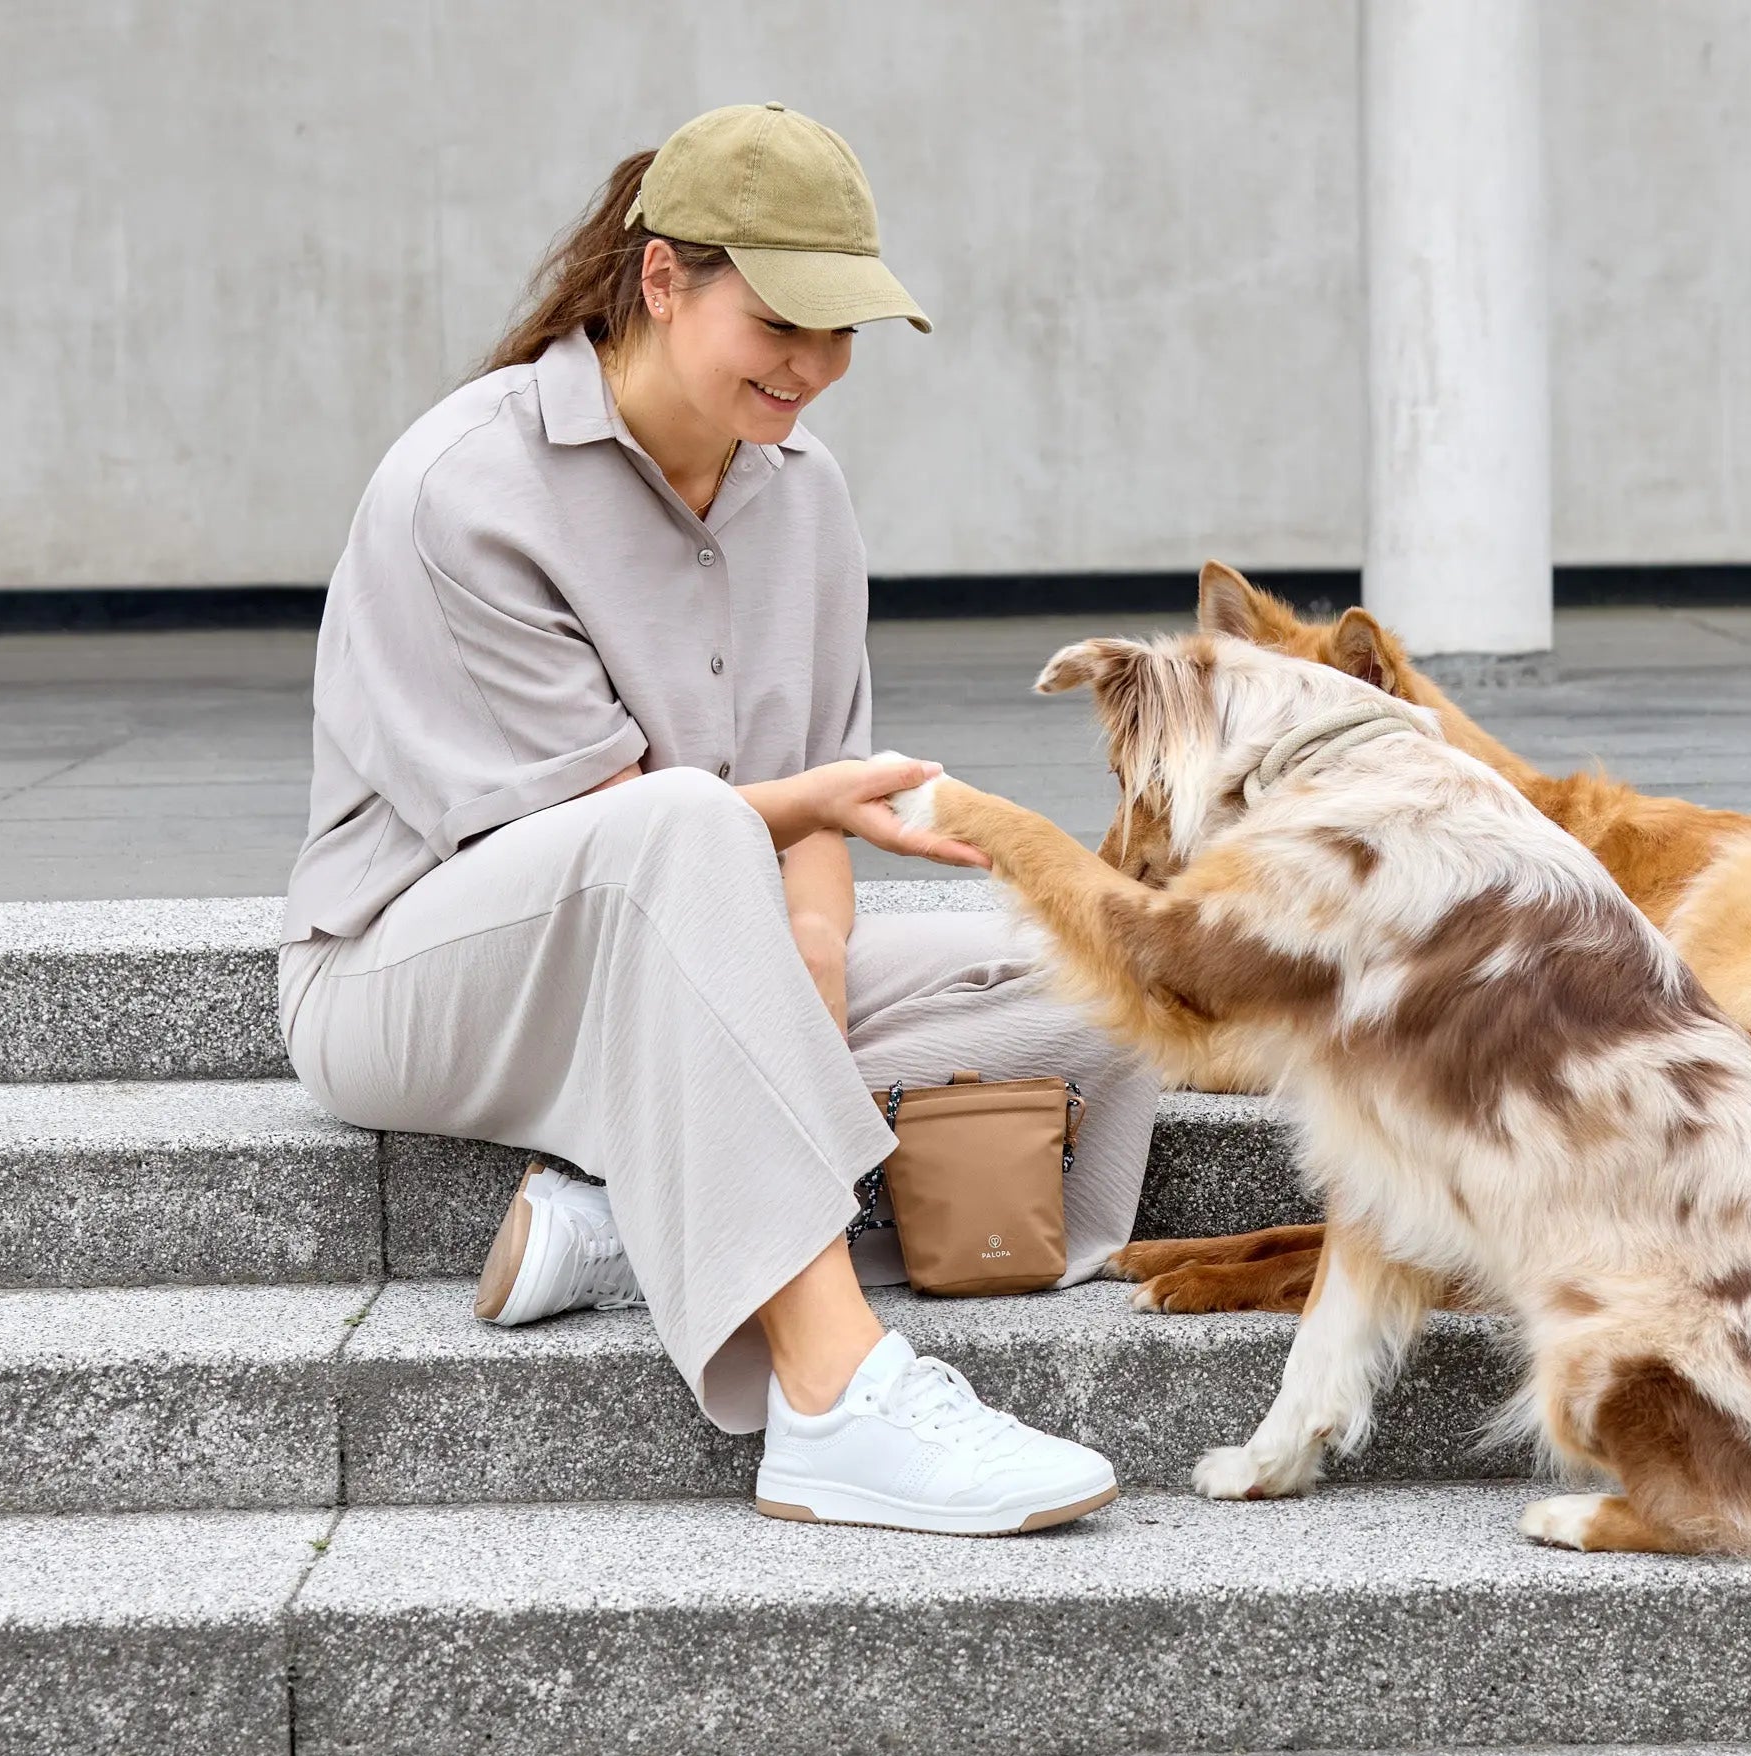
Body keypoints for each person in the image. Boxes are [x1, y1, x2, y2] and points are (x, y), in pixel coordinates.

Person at [278, 104, 1155, 1536]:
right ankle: (831, 1400)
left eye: (843, 332)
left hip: (679, 944)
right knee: (684, 824)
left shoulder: (804, 495)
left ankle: (645, 1214)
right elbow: (609, 837)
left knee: (1094, 997)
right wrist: (799, 829)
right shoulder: (466, 487)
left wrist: (809, 949)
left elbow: (808, 806)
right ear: (662, 278)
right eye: (783, 323)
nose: (814, 370)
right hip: (410, 980)